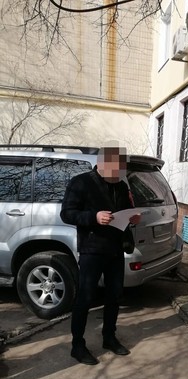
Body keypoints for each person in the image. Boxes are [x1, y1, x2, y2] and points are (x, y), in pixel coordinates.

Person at [60, 142, 141, 365]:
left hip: (115, 249)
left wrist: (132, 218)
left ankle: (109, 337)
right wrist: (94, 217)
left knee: (114, 296)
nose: (119, 173)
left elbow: (124, 211)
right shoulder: (81, 182)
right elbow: (67, 214)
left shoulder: (121, 186)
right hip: (92, 249)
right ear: (102, 163)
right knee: (85, 297)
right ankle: (77, 345)